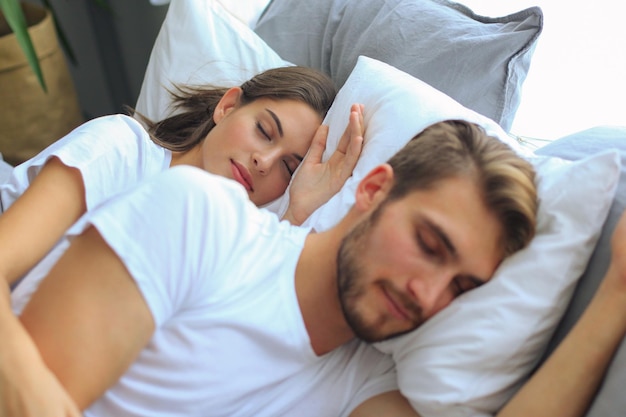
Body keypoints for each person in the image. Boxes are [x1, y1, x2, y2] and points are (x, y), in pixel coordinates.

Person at [9, 119, 540, 417]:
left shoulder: (370, 385)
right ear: (373, 190)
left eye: (463, 287)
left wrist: (615, 300)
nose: (429, 295)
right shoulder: (201, 216)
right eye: (429, 244)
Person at [0, 65, 365, 417]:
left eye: (288, 167)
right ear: (227, 106)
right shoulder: (122, 149)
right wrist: (35, 394)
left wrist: (296, 215)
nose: (264, 161)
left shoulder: (228, 248)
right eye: (264, 131)